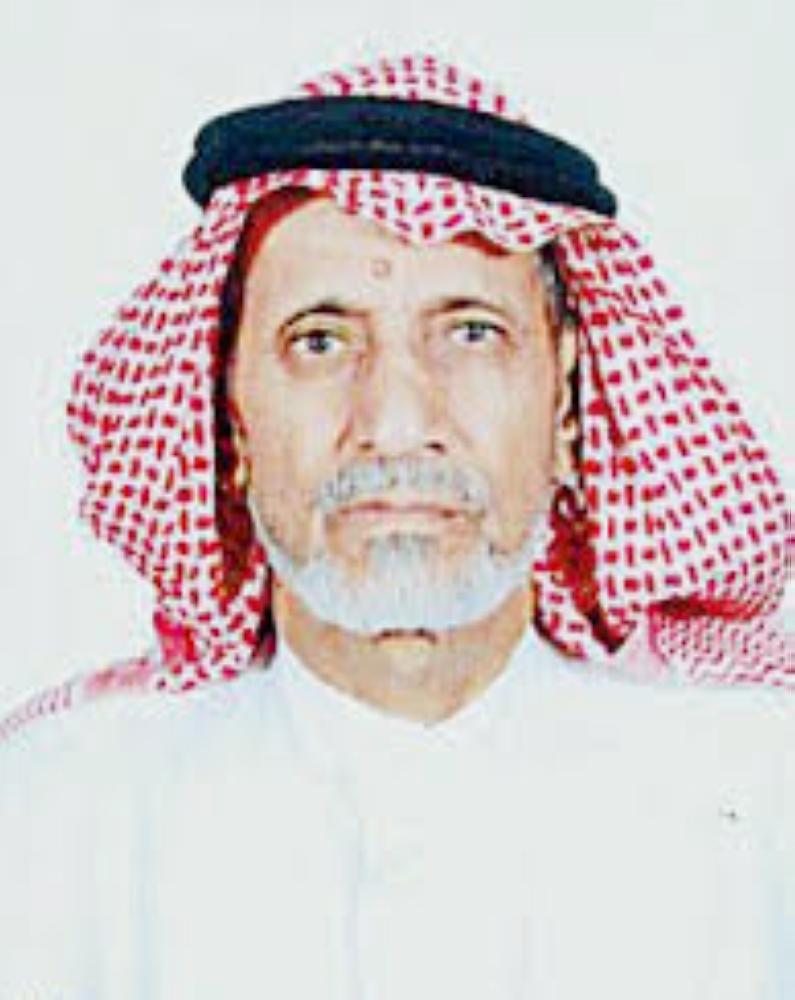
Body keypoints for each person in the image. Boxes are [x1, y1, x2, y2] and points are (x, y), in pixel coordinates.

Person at [1, 53, 793, 999]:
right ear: (230, 420)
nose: (396, 421)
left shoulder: (760, 799)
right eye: (320, 342)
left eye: (471, 333)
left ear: (568, 409)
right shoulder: (53, 821)